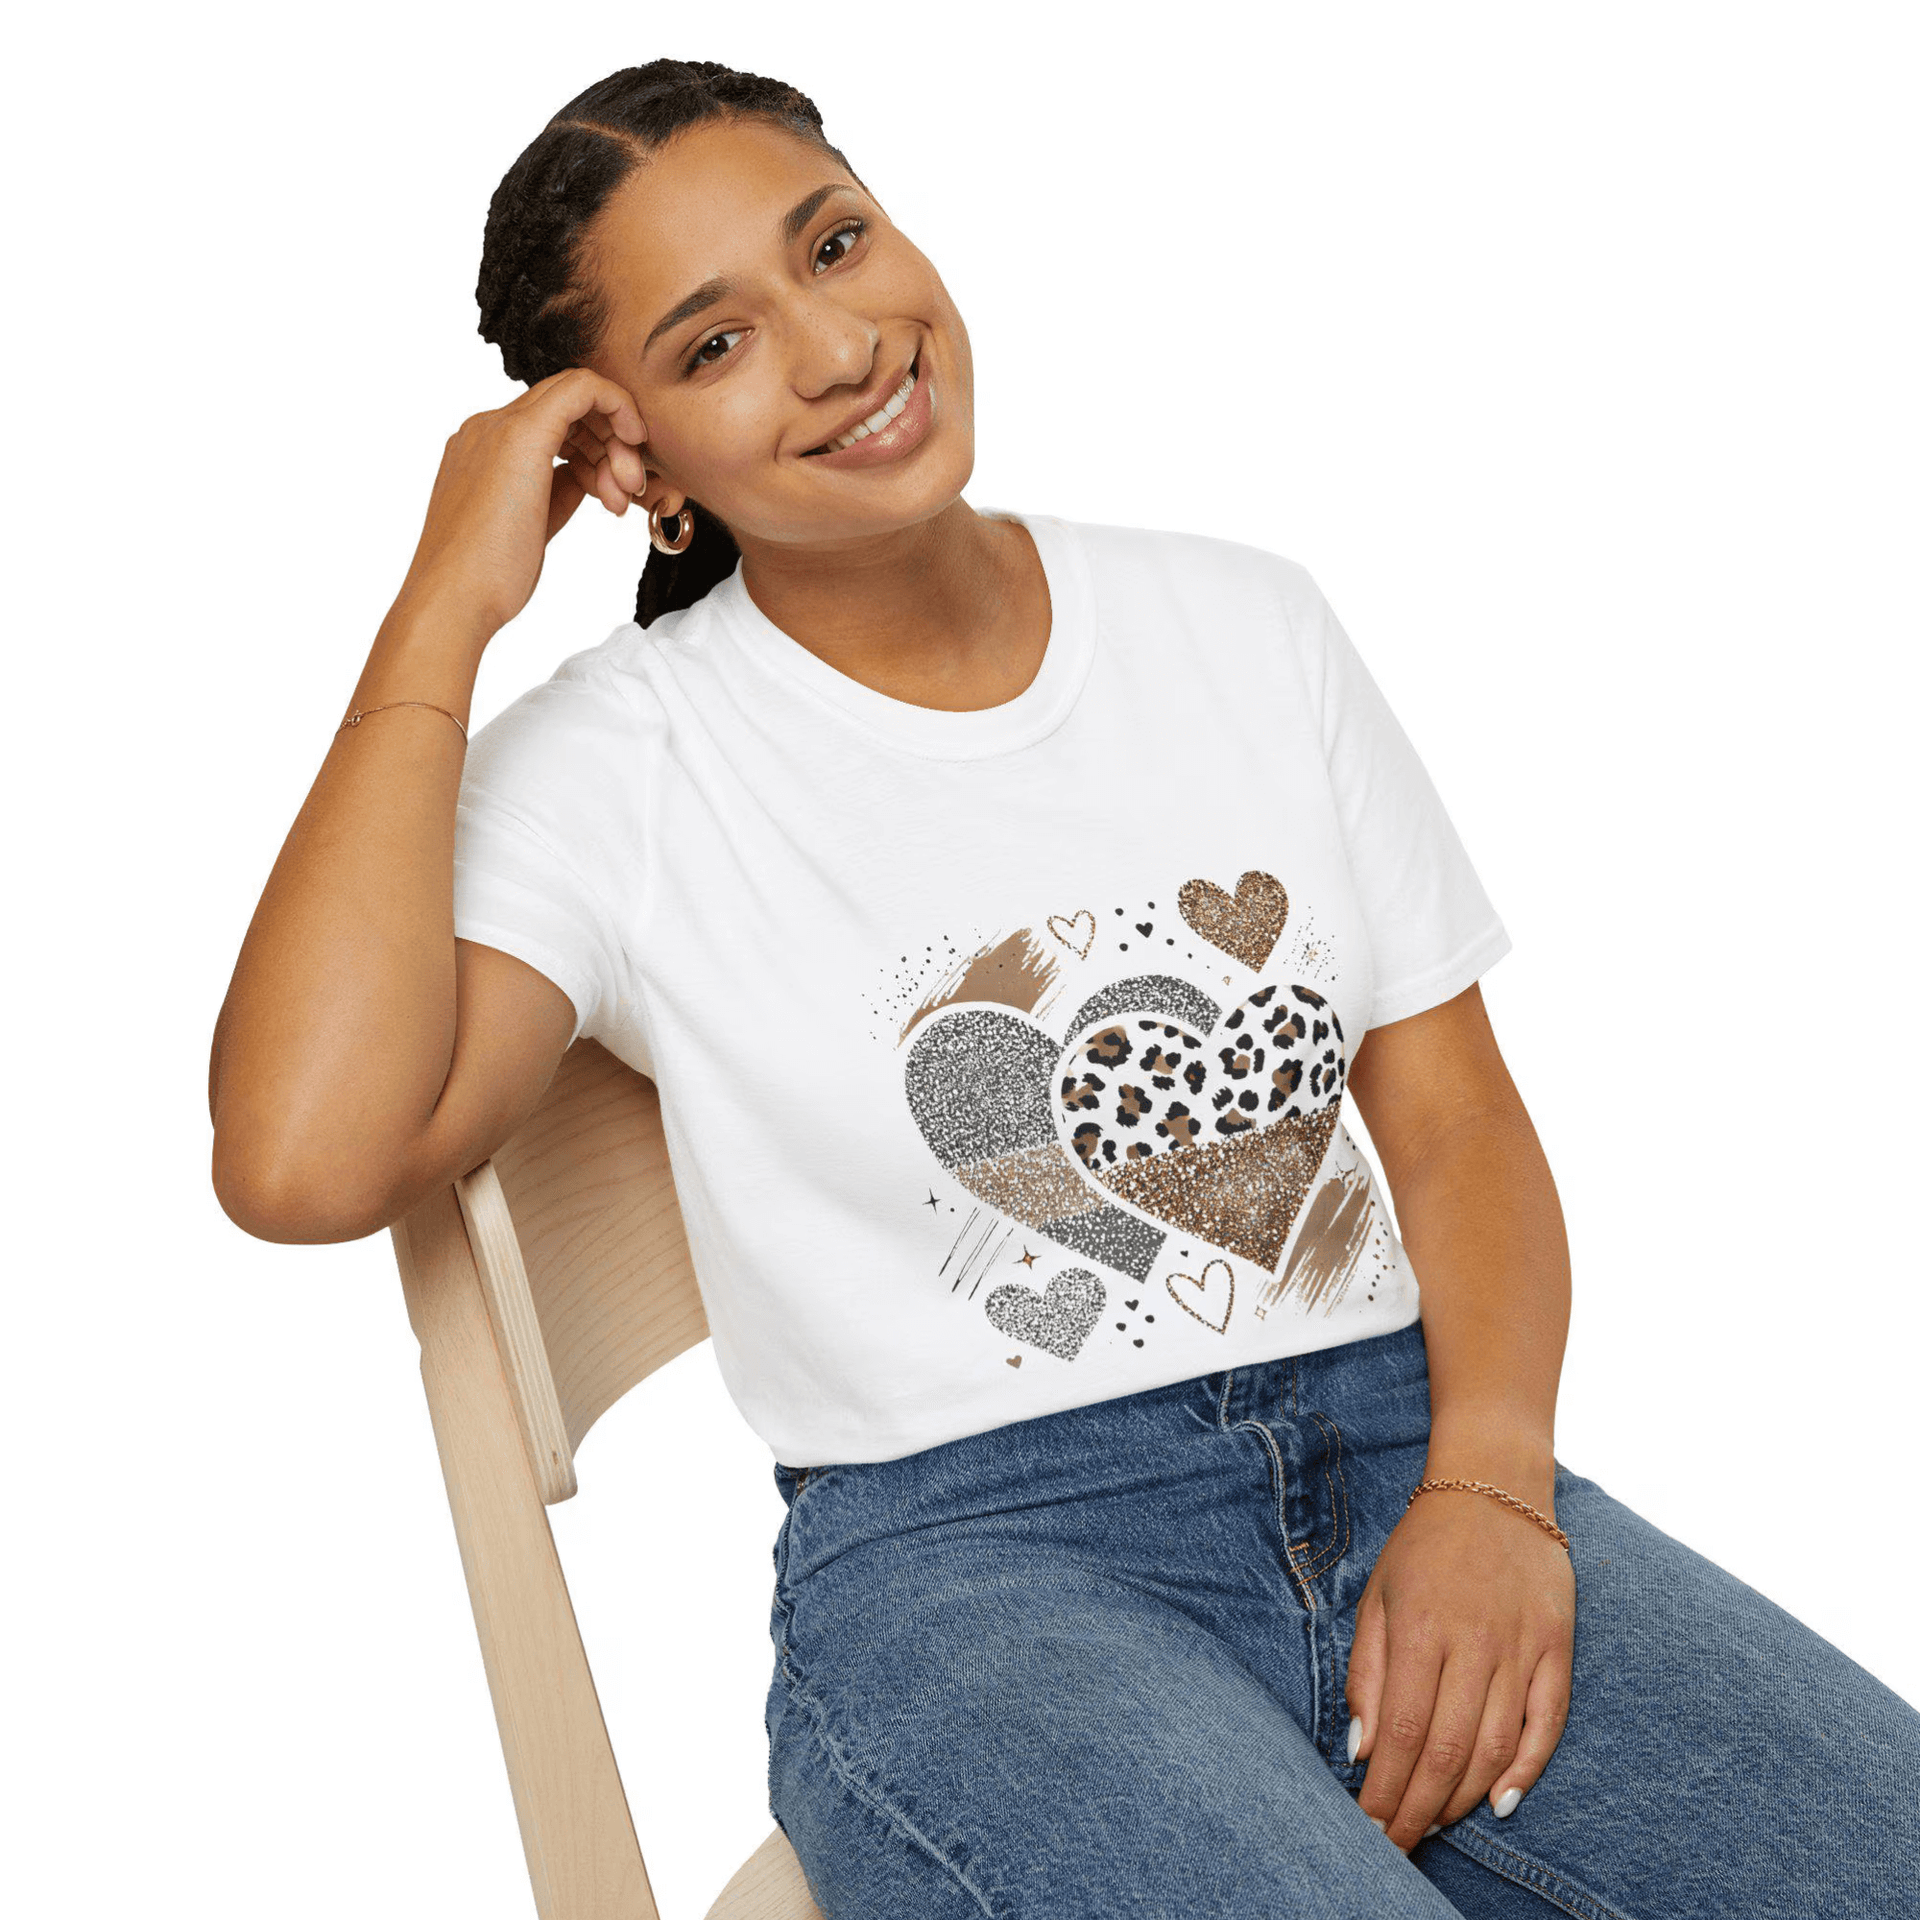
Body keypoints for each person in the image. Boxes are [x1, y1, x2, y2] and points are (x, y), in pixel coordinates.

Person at [207, 57, 1920, 1919]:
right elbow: (299, 1161)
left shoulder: (1245, 624)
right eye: (714, 348)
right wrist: (443, 602)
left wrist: (1496, 1487)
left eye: (838, 244)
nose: (842, 344)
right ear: (636, 468)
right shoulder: (623, 770)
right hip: (973, 1576)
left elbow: (1454, 1121)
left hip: (1410, 1455)